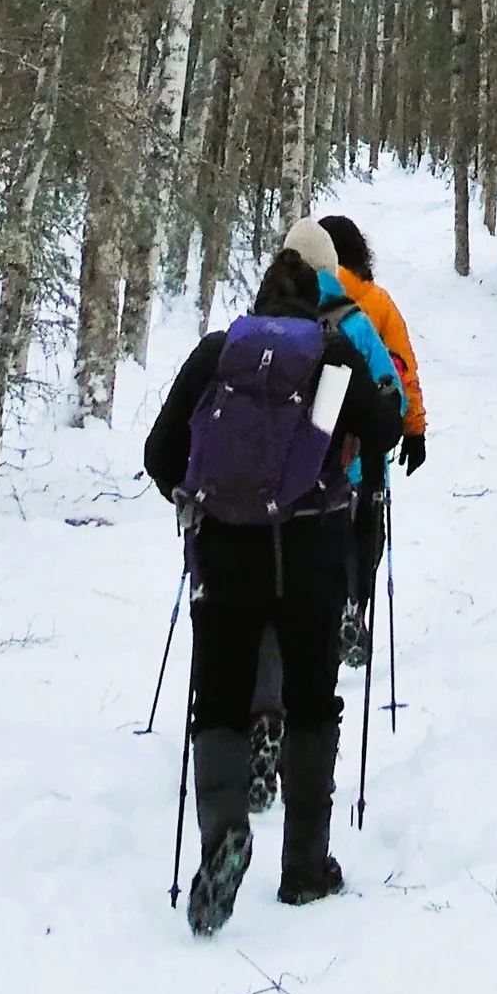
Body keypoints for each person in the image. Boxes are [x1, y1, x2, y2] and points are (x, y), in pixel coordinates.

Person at [145, 248, 403, 936]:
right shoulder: (332, 356)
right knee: (313, 700)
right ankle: (305, 868)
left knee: (222, 702)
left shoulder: (219, 353)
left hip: (227, 554)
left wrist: (194, 497)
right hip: (313, 551)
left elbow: (158, 454)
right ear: (313, 302)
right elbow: (383, 430)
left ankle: (225, 830)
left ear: (260, 303)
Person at [319, 213, 426, 668]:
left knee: (326, 533)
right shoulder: (376, 305)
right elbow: (402, 369)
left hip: (317, 449)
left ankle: (326, 611)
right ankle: (354, 608)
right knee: (367, 533)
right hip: (370, 448)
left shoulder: (306, 297)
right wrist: (414, 428)